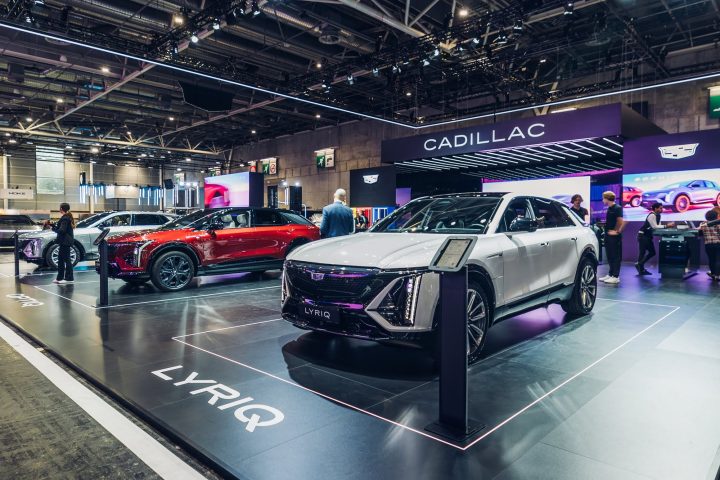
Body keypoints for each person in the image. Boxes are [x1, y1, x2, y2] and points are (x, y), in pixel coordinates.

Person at [635, 202, 675, 275]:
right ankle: (641, 268)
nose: (662, 209)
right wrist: (667, 226)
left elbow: (658, 226)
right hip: (643, 235)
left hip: (648, 236)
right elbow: (655, 227)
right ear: (656, 208)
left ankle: (640, 264)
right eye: (660, 208)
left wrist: (666, 228)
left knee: (651, 252)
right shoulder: (652, 215)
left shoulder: (658, 215)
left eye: (662, 208)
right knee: (643, 253)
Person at [600, 191, 624, 284]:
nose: (602, 200)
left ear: (607, 198)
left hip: (614, 236)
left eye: (603, 198)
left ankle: (616, 276)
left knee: (615, 256)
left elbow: (620, 221)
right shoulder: (609, 208)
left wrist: (616, 231)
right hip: (608, 234)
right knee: (610, 255)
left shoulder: (617, 208)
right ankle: (610, 274)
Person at [51, 203, 75, 284]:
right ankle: (59, 278)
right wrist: (54, 227)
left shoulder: (65, 218)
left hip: (65, 241)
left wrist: (53, 229)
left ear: (61, 209)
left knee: (66, 259)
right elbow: (61, 228)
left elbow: (62, 230)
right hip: (64, 241)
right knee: (61, 260)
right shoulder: (67, 217)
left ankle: (69, 278)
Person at [699, 209, 720, 281]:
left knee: (711, 260)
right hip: (717, 244)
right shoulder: (718, 224)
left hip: (708, 245)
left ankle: (713, 274)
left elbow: (700, 233)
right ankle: (717, 275)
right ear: (716, 216)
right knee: (718, 259)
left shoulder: (703, 224)